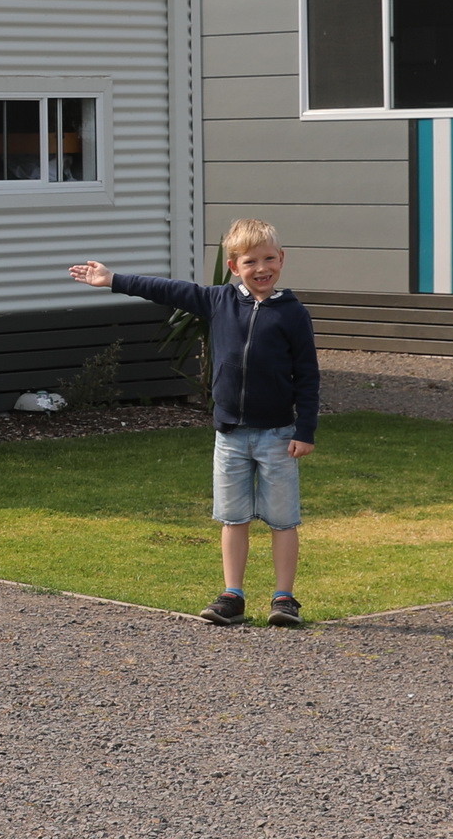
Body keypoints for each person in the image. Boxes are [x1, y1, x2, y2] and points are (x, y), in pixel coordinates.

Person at [68, 220, 320, 627]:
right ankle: (232, 596)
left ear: (282, 260)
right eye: (251, 261)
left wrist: (304, 430)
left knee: (282, 519)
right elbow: (166, 289)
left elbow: (308, 376)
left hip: (278, 435)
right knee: (232, 517)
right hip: (231, 437)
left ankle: (284, 598)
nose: (262, 268)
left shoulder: (293, 314)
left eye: (269, 259)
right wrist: (112, 279)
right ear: (234, 266)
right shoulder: (218, 300)